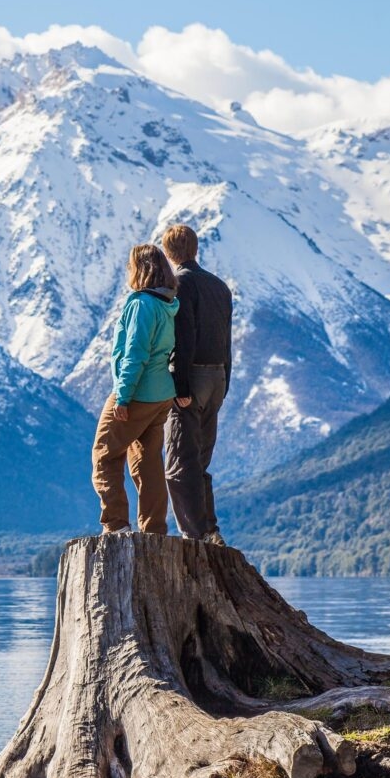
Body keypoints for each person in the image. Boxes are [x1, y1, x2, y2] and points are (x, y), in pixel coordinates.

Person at [92, 244, 180, 534]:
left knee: (104, 454)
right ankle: (153, 529)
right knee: (147, 462)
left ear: (140, 269)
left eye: (131, 266)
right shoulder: (168, 304)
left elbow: (135, 353)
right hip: (161, 395)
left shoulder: (142, 304)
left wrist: (123, 396)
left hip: (137, 393)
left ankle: (116, 525)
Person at [162, 224, 233, 545]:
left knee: (179, 463)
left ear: (168, 252)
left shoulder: (180, 284)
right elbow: (227, 340)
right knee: (200, 461)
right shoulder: (220, 287)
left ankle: (195, 537)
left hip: (192, 376)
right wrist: (224, 382)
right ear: (195, 249)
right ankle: (210, 530)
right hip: (218, 376)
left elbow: (184, 335)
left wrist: (180, 386)